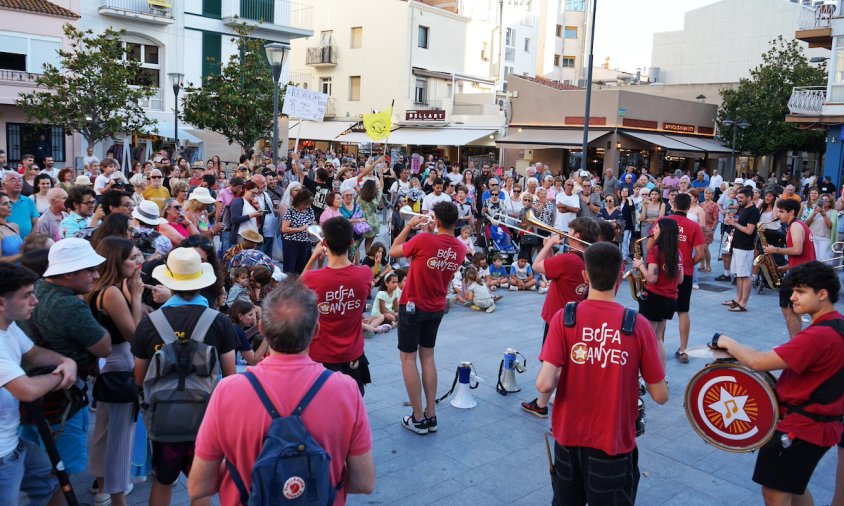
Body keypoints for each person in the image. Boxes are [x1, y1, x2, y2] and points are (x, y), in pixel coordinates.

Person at [187, 279, 375, 504]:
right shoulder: (346, 389)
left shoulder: (228, 391)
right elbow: (363, 482)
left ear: (262, 330)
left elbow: (199, 486)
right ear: (316, 331)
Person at [536, 242, 668, 506]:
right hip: (613, 442)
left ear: (585, 276)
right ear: (620, 277)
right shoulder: (637, 323)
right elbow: (660, 395)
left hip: (568, 438)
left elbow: (544, 383)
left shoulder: (565, 317)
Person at [713, 262, 843, 506]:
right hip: (819, 425)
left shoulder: (817, 336)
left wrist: (727, 342)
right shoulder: (837, 325)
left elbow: (759, 362)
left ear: (822, 294)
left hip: (800, 428)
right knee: (794, 487)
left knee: (775, 493)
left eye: (801, 291)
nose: (792, 297)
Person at [132, 247, 237, 506]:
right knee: (200, 488)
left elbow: (139, 378)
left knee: (162, 481)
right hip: (206, 419)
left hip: (163, 421)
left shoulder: (149, 323)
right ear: (200, 282)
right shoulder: (219, 322)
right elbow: (231, 376)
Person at [19, 239, 112, 477]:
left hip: (31, 401)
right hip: (62, 402)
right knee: (60, 474)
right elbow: (104, 347)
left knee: (39, 470)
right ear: (69, 273)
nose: (96, 275)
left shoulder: (35, 288)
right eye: (90, 269)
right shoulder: (70, 305)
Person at [0, 263, 77, 506]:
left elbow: (33, 353)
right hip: (2, 454)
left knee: (49, 477)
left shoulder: (8, 328)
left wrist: (65, 361)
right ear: (1, 303)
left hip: (13, 443)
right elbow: (27, 390)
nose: (35, 301)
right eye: (26, 296)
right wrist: (62, 376)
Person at [389, 201, 466, 434]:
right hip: (436, 307)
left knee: (408, 360)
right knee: (428, 358)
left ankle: (418, 417)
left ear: (438, 220)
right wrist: (431, 233)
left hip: (412, 305)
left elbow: (394, 251)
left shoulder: (423, 239)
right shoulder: (460, 248)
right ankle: (431, 414)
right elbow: (437, 253)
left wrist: (409, 225)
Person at [521, 217, 599, 417]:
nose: (566, 233)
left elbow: (537, 266)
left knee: (552, 362)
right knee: (563, 361)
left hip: (558, 317)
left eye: (569, 230)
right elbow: (557, 270)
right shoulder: (590, 257)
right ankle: (542, 402)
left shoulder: (570, 259)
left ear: (577, 235)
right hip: (576, 316)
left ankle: (549, 402)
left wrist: (546, 245)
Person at [86, 237, 144, 506]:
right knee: (121, 437)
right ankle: (118, 496)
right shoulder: (111, 292)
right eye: (132, 258)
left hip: (107, 364)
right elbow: (135, 334)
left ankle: (101, 488)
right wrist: (137, 296)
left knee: (103, 431)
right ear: (116, 261)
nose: (138, 262)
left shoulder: (98, 288)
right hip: (120, 363)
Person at [300, 217, 372, 395]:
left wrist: (313, 258)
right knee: (351, 404)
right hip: (352, 354)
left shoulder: (312, 279)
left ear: (324, 243)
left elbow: (295, 291)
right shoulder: (365, 273)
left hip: (320, 355)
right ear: (352, 242)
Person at [633, 218, 683, 367]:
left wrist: (640, 265)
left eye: (656, 228)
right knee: (657, 338)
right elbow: (680, 280)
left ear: (664, 232)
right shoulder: (677, 252)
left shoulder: (655, 251)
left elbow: (652, 278)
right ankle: (661, 374)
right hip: (670, 299)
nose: (653, 231)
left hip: (655, 298)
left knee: (646, 338)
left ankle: (647, 374)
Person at [764, 198, 816, 338]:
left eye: (781, 212)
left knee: (789, 310)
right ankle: (797, 342)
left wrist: (776, 250)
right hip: (801, 271)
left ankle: (795, 344)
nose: (778, 215)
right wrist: (786, 266)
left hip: (800, 274)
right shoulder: (798, 225)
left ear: (791, 212)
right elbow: (804, 253)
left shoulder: (795, 226)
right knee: (793, 311)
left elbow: (798, 250)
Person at [664, 193, 705, 364]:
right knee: (683, 311)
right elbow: (701, 254)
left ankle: (658, 347)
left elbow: (650, 245)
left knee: (662, 315)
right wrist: (688, 263)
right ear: (689, 208)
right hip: (685, 274)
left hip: (665, 273)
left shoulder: (663, 222)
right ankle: (683, 350)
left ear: (673, 205)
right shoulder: (693, 225)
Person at [723, 187, 760, 313]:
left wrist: (734, 224)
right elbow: (744, 223)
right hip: (738, 246)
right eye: (738, 197)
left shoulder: (753, 211)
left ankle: (743, 303)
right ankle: (738, 299)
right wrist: (734, 220)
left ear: (749, 197)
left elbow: (749, 230)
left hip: (745, 247)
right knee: (739, 275)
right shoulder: (745, 209)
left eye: (741, 198)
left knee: (745, 276)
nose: (739, 200)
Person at [281, 188, 315, 274]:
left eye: (308, 204)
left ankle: (299, 286)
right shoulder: (290, 211)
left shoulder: (309, 210)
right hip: (291, 243)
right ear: (299, 201)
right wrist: (300, 229)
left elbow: (312, 222)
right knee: (290, 269)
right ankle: (288, 287)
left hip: (305, 242)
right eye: (305, 204)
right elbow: (284, 229)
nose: (306, 206)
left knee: (302, 268)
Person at [2, 172, 38, 239]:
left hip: (27, 244)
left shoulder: (28, 201)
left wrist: (31, 239)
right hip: (6, 243)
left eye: (20, 180)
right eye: (13, 180)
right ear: (3, 185)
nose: (18, 183)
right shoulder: (1, 202)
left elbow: (36, 223)